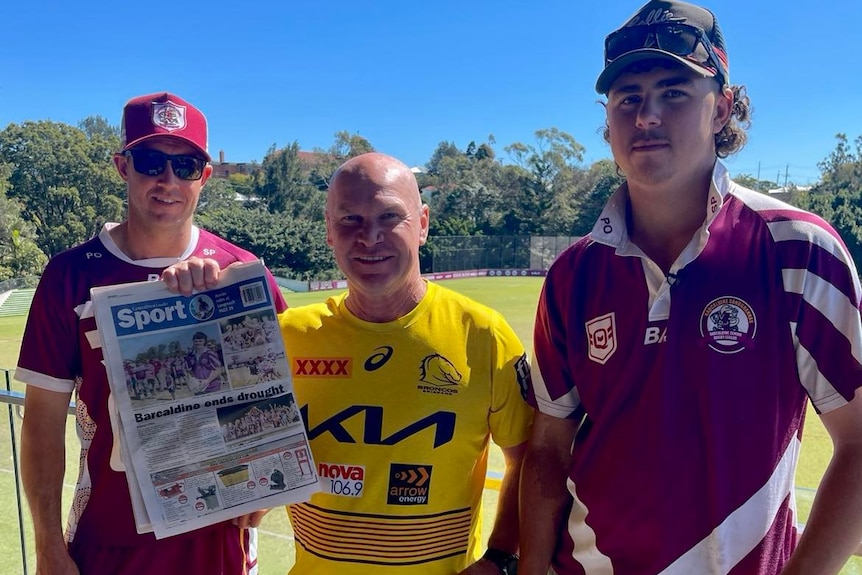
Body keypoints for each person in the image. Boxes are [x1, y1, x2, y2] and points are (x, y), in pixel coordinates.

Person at [518, 2, 862, 574]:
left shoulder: (796, 247)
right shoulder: (573, 274)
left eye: (673, 92)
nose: (646, 115)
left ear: (722, 107)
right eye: (627, 97)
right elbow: (549, 450)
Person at [164, 152, 533, 574]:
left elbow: (529, 459)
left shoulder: (484, 336)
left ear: (424, 224)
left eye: (390, 216)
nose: (369, 236)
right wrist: (186, 302)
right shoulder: (286, 336)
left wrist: (502, 555)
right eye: (350, 220)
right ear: (328, 231)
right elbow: (196, 429)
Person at [17, 91, 287, 575]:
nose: (167, 181)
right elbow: (41, 422)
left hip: (219, 541)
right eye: (150, 162)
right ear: (123, 167)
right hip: (108, 541)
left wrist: (268, 486)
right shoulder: (69, 275)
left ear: (204, 177)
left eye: (185, 167)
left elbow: (288, 394)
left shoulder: (242, 272)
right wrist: (47, 547)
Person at [185, 331, 226, 395]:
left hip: (213, 387)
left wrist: (207, 381)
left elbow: (218, 369)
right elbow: (190, 370)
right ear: (193, 342)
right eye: (196, 341)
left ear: (204, 341)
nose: (198, 343)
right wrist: (195, 381)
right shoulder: (190, 356)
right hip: (199, 388)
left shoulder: (210, 353)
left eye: (200, 341)